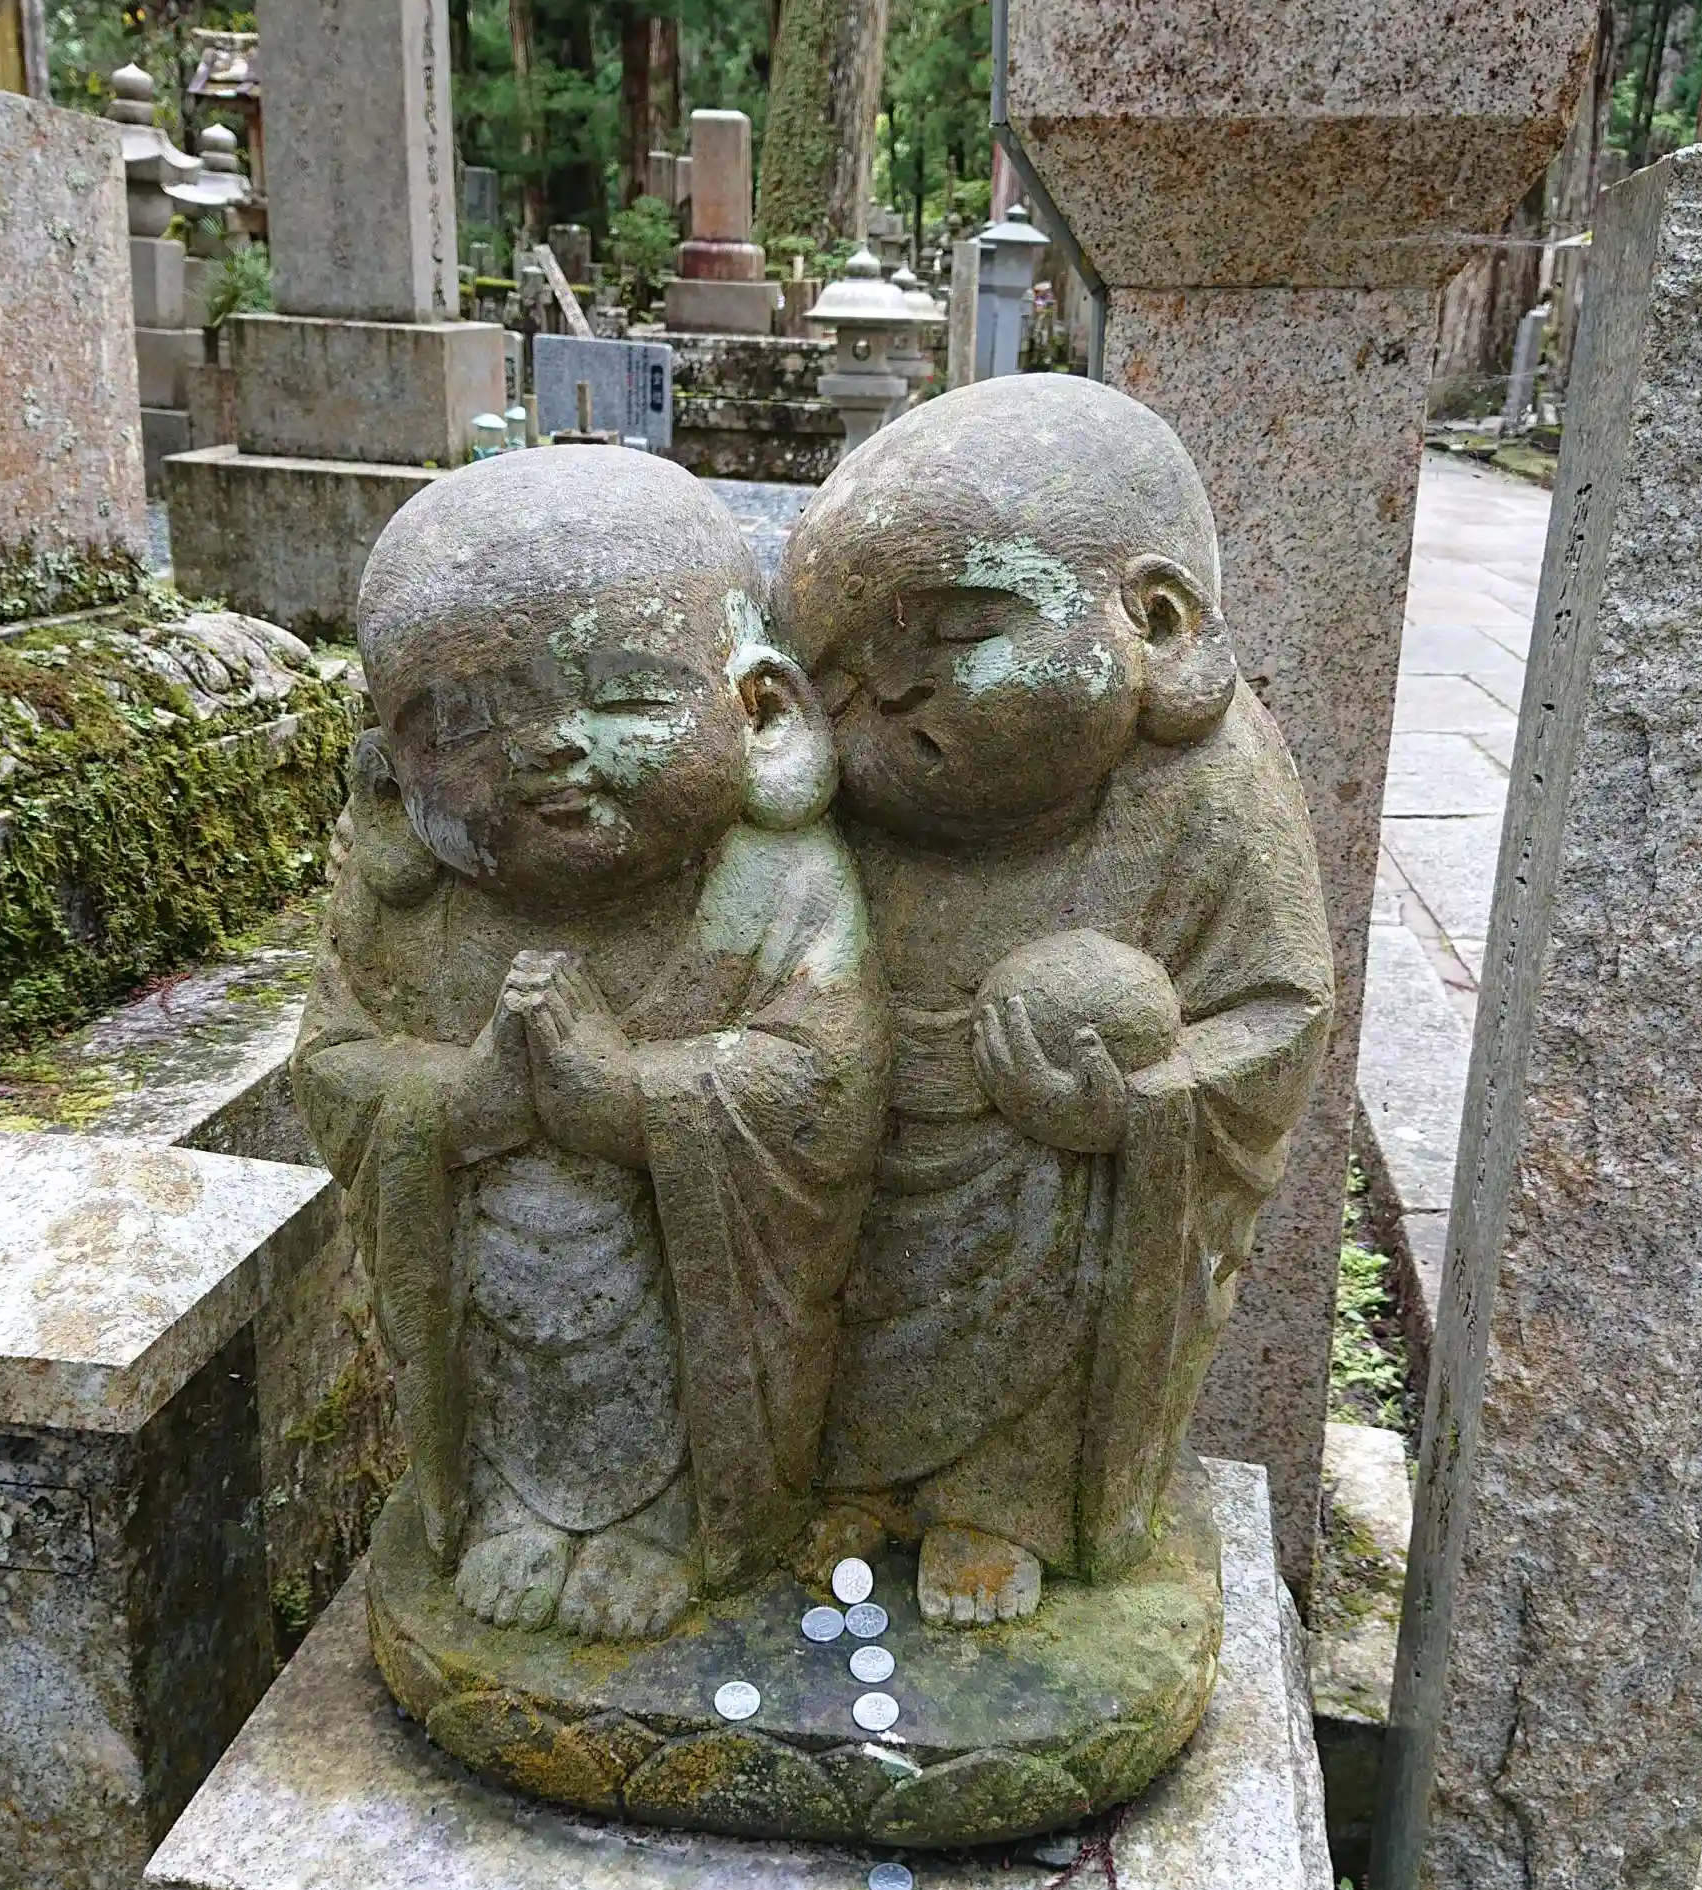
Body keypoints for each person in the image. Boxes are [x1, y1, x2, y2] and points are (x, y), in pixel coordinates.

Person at [293, 448, 886, 1640]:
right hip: (494, 1294)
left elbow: (829, 1078)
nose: (546, 749)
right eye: (462, 723)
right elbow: (335, 1065)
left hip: (697, 1311)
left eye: (619, 697)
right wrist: (461, 1101)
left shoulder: (777, 880)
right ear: (388, 776)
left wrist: (628, 1098)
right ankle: (513, 1508)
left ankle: (670, 1522)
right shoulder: (407, 907)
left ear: (762, 713)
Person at [774, 373, 1334, 1626]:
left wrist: (1137, 1100)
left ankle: (1003, 1504)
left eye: (955, 634)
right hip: (881, 1132)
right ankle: (859, 1479)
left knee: (1049, 1274)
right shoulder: (845, 819)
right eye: (844, 685)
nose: (891, 698)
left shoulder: (1213, 787)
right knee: (854, 1281)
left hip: (1061, 1162)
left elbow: (1281, 1010)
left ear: (1159, 624)